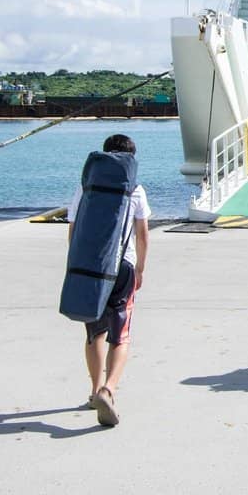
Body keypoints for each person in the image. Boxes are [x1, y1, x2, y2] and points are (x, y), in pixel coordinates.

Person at [68, 134, 151, 427]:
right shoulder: (136, 190)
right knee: (122, 334)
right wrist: (140, 269)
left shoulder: (86, 187)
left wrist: (74, 267)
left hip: (90, 267)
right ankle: (109, 389)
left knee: (94, 332)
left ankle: (93, 391)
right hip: (124, 267)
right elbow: (142, 235)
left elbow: (74, 230)